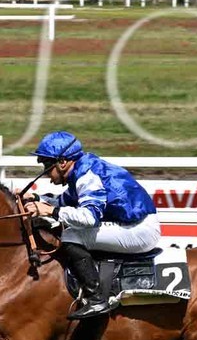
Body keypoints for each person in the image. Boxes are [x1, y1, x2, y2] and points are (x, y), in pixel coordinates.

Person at [21, 131, 161, 319]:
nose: (46, 174)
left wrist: (50, 211)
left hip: (139, 230)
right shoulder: (82, 169)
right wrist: (37, 198)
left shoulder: (87, 176)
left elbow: (88, 218)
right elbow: (64, 202)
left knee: (71, 235)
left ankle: (96, 299)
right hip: (134, 224)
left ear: (62, 162)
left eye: (47, 166)